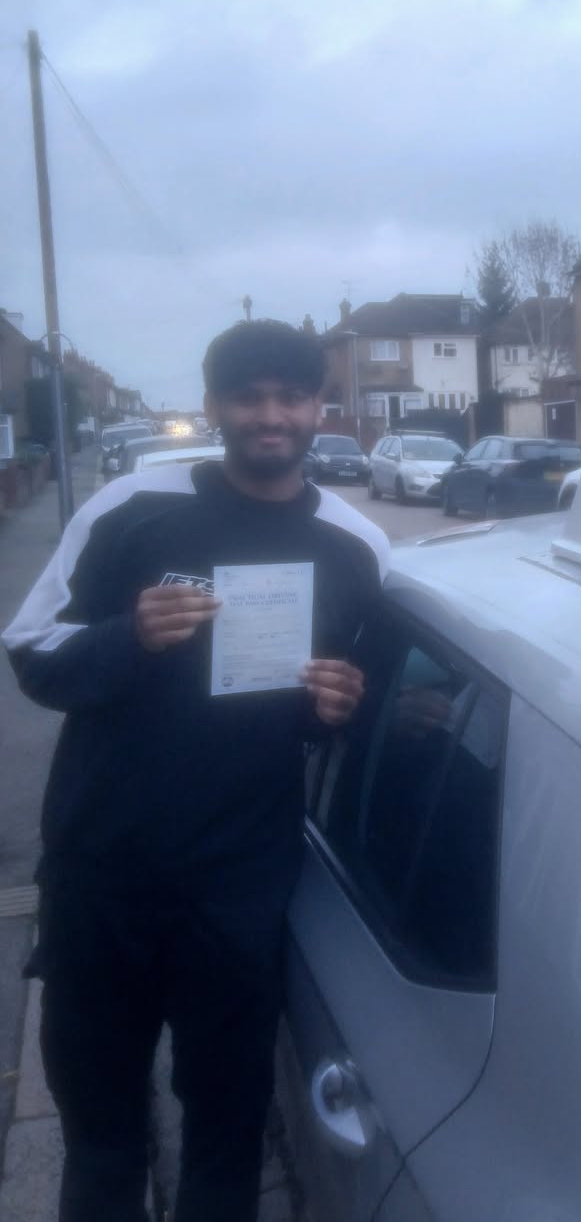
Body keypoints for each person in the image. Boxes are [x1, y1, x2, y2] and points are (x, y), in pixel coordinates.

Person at [2, 320, 389, 1222]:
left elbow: (339, 706)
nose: (270, 416)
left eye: (290, 398)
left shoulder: (356, 545)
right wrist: (125, 638)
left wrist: (340, 706)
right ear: (214, 406)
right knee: (101, 1136)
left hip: (238, 888)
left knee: (226, 1124)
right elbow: (32, 652)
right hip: (104, 877)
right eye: (247, 397)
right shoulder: (134, 507)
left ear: (319, 409)